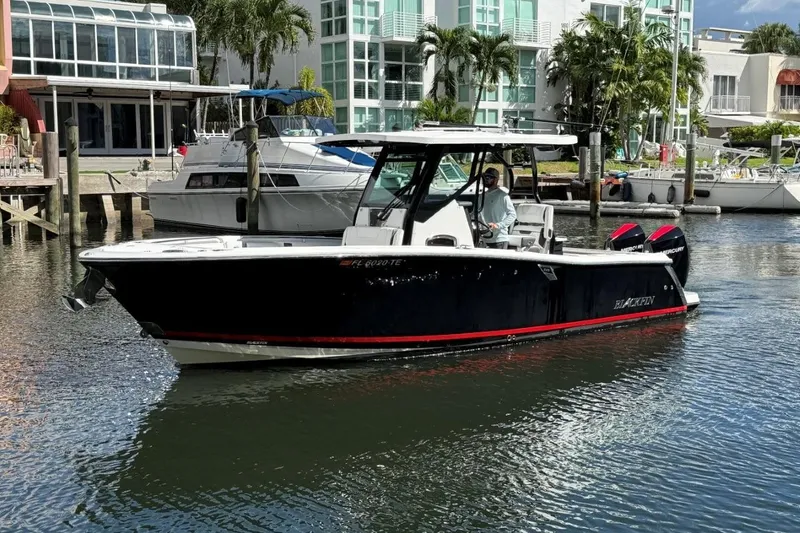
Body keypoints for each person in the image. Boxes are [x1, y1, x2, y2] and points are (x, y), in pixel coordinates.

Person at [479, 167, 516, 249]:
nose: (486, 180)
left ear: (496, 180)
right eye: (485, 177)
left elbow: (512, 215)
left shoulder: (502, 195)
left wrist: (498, 225)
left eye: (489, 177)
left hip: (499, 240)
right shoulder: (481, 196)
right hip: (483, 239)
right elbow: (477, 214)